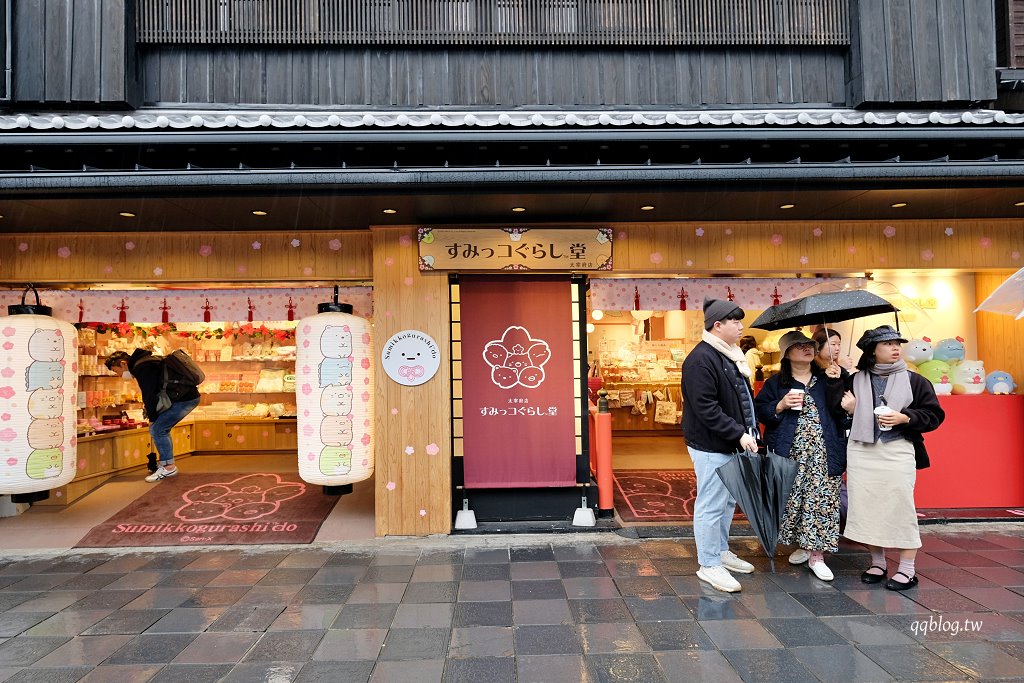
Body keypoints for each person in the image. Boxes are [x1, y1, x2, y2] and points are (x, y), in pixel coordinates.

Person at [838, 326, 945, 591]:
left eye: (897, 343)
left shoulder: (915, 380)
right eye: (888, 344)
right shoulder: (854, 380)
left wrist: (905, 418)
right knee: (866, 507)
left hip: (897, 448)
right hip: (862, 451)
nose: (895, 347)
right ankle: (878, 562)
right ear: (872, 350)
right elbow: (837, 414)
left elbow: (934, 415)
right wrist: (851, 409)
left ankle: (907, 570)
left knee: (900, 506)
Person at [754, 331, 847, 581]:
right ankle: (804, 545)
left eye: (810, 345)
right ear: (786, 353)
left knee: (822, 500)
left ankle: (817, 555)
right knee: (795, 500)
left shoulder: (829, 377)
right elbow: (761, 411)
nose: (807, 349)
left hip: (824, 450)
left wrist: (838, 383)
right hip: (791, 449)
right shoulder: (776, 383)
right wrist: (780, 405)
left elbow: (842, 411)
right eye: (800, 346)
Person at [681, 298, 759, 593]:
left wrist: (746, 432)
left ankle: (721, 551)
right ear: (718, 325)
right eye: (735, 321)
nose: (741, 327)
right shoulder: (702, 359)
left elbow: (742, 400)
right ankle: (709, 563)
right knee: (711, 504)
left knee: (726, 502)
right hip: (712, 444)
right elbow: (705, 407)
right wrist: (738, 433)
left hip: (731, 443)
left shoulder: (728, 355)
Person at [105, 349, 201, 483]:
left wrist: (152, 419)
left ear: (123, 364)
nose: (119, 375)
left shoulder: (141, 367)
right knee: (160, 429)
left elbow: (149, 395)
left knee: (158, 429)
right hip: (185, 397)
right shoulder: (145, 361)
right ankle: (165, 464)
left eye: (116, 371)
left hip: (185, 399)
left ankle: (168, 467)